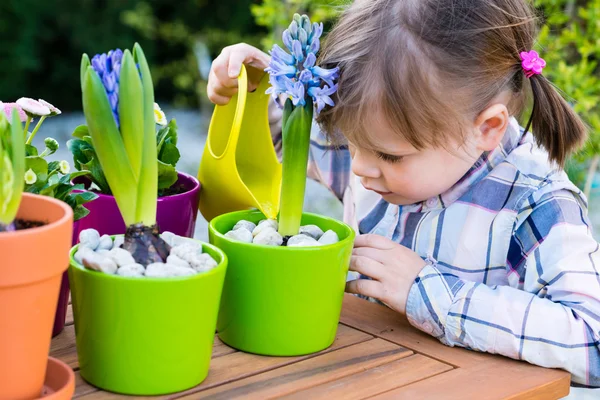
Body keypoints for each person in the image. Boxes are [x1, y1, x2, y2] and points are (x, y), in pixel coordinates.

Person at [206, 0, 600, 388]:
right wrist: (254, 93)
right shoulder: (386, 153)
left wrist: (427, 291)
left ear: (486, 129)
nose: (357, 167)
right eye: (352, 141)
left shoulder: (536, 204)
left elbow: (592, 344)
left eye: (388, 155)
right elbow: (284, 143)